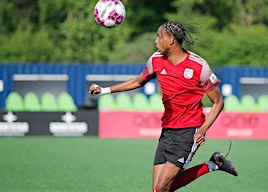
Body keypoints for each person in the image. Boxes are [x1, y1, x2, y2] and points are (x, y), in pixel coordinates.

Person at [89, 21, 238, 192]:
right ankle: (214, 164)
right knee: (159, 189)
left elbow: (218, 102)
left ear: (171, 40)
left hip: (188, 131)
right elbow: (139, 81)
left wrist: (203, 130)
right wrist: (104, 90)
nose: (156, 41)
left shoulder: (199, 66)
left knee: (161, 189)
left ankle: (212, 165)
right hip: (167, 130)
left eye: (159, 37)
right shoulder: (156, 60)